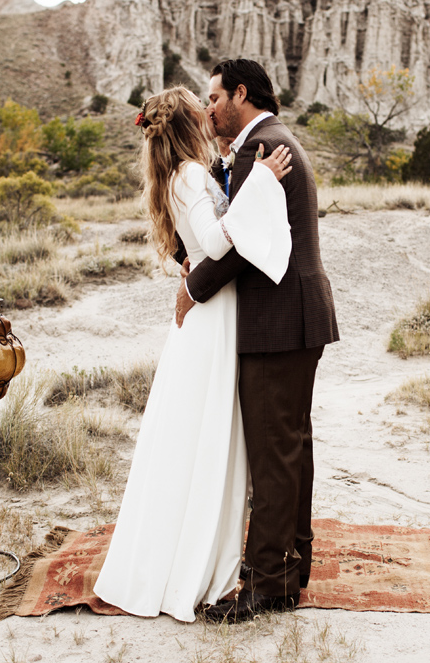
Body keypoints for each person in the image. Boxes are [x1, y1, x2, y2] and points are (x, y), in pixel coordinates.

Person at [92, 85, 293, 622]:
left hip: (213, 316)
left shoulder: (180, 175)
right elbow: (218, 240)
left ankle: (192, 551)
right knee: (211, 442)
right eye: (200, 108)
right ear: (189, 125)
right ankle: (198, 565)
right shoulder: (191, 175)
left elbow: (196, 246)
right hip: (214, 321)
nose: (210, 113)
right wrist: (261, 186)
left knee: (199, 440)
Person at [178, 59, 339, 623]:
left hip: (277, 322)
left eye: (214, 96)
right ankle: (292, 571)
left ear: (240, 94)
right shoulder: (275, 139)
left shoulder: (257, 149)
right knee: (292, 445)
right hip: (298, 316)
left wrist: (193, 289)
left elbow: (238, 241)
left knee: (273, 453)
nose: (208, 107)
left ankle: (266, 585)